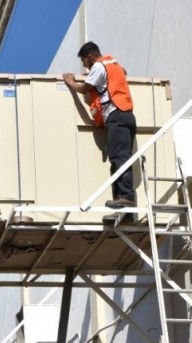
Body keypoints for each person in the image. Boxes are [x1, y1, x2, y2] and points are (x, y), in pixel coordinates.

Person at [63, 41, 137, 221]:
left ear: (90, 57)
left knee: (119, 158)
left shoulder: (98, 66)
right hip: (126, 115)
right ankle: (123, 212)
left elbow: (83, 89)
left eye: (84, 62)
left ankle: (126, 198)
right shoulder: (113, 64)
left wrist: (70, 82)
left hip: (116, 115)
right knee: (118, 159)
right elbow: (124, 73)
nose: (85, 67)